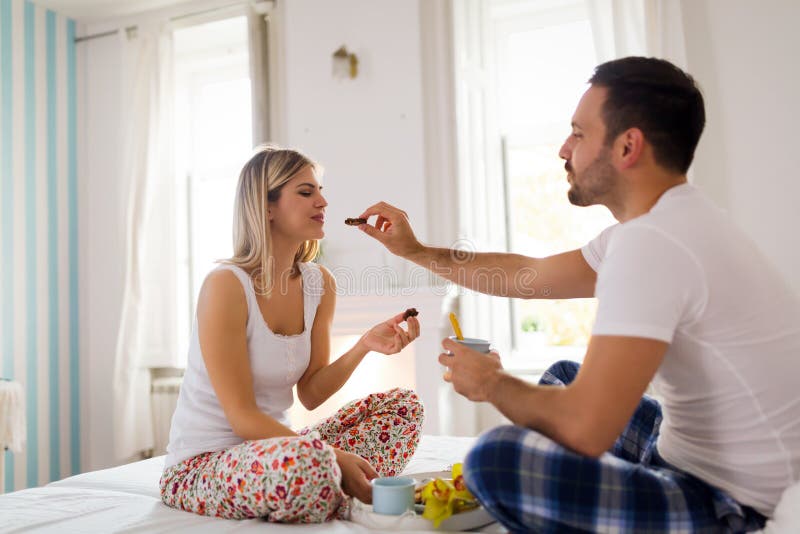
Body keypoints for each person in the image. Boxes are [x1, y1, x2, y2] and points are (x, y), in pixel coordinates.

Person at [355, 57, 800, 532]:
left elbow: (589, 429)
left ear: (628, 146)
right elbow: (525, 275)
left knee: (495, 459)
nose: (563, 149)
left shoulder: (652, 244)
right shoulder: (667, 223)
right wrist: (416, 251)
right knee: (563, 376)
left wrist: (492, 384)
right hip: (690, 454)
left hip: (733, 504)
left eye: (579, 134)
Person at [160, 145, 424, 523]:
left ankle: (330, 482)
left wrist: (364, 345)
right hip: (204, 465)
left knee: (404, 407)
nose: (323, 201)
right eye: (306, 192)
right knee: (311, 463)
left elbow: (311, 393)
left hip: (281, 451)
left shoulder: (319, 283)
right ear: (266, 206)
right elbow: (242, 418)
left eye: (319, 190)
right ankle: (336, 484)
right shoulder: (226, 286)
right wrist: (330, 456)